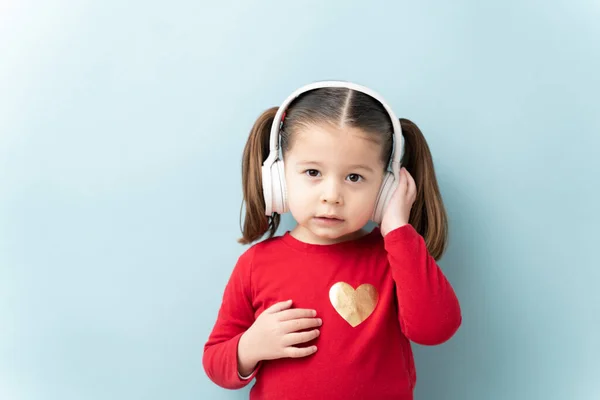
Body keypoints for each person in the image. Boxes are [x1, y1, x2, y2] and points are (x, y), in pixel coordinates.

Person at [202, 80, 462, 399]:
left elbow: (435, 329)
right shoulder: (256, 264)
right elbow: (215, 361)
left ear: (386, 188)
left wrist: (397, 228)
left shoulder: (395, 258)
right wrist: (250, 347)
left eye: (354, 177)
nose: (332, 196)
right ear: (279, 180)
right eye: (313, 172)